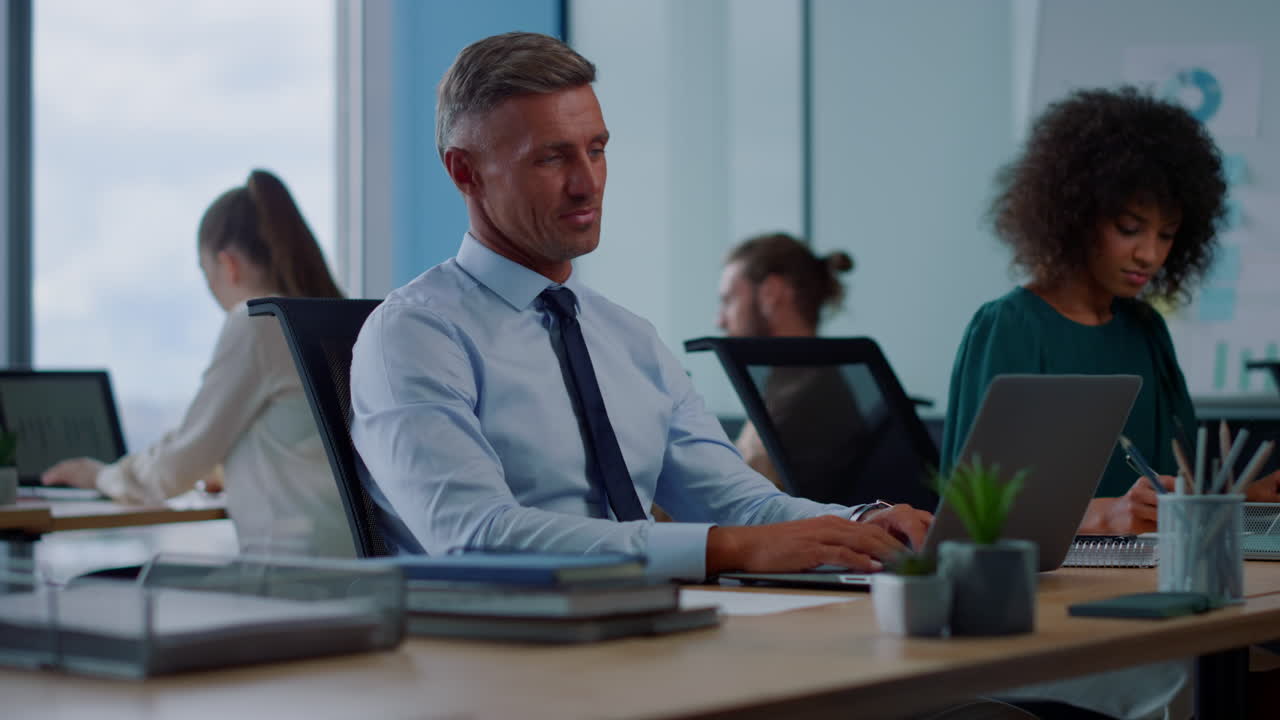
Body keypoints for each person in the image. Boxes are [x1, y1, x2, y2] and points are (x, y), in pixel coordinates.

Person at [348, 32, 930, 583]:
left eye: (596, 150)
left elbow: (740, 502)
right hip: (499, 657)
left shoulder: (628, 337)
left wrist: (859, 525)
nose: (587, 184)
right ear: (464, 172)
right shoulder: (414, 335)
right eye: (552, 159)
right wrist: (722, 548)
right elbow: (472, 535)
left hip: (658, 627)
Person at [941, 86, 1280, 537]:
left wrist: (1243, 495)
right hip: (1049, 593)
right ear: (1075, 214)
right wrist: (1103, 515)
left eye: (1167, 235)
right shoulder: (1010, 327)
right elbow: (972, 516)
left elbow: (1165, 488)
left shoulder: (1146, 330)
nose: (1149, 254)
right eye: (1129, 229)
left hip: (1157, 576)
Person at [43, 169, 356, 558]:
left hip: (296, 576)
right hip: (355, 570)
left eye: (206, 275)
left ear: (228, 266)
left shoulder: (258, 322)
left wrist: (101, 476)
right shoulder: (331, 320)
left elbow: (175, 467)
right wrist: (232, 469)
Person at [716, 233, 864, 497]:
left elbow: (729, 501)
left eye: (728, 300)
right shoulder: (801, 383)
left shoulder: (802, 399)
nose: (720, 321)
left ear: (771, 292)